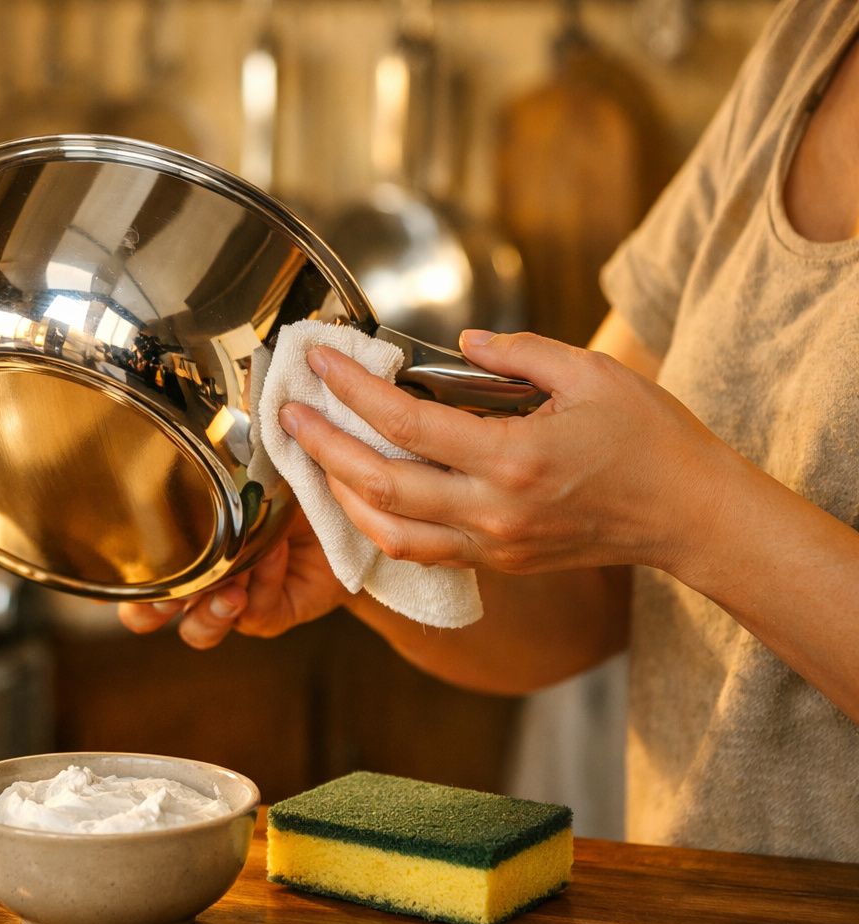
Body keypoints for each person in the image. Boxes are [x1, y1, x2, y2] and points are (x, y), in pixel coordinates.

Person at [121, 0, 859, 863]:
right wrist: (365, 535)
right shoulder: (811, 43)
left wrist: (689, 514)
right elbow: (599, 591)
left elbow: (669, 516)